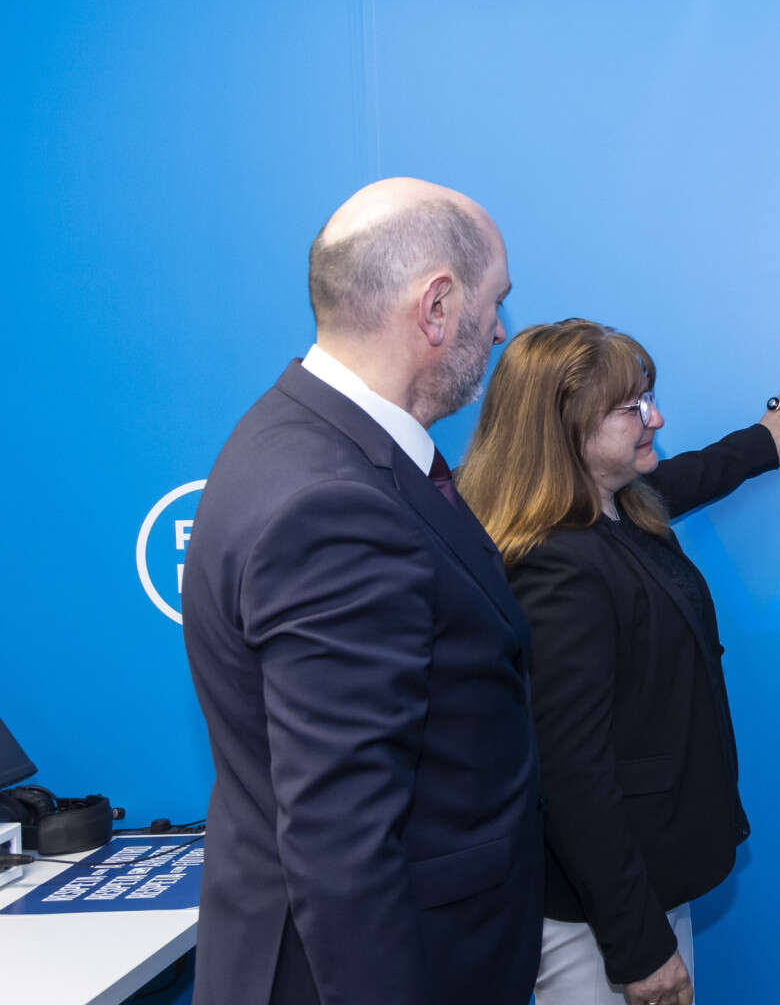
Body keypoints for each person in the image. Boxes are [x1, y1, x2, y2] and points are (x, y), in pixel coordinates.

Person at [182, 178, 538, 1004]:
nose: (499, 331)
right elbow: (342, 845)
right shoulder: (333, 501)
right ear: (437, 306)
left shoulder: (296, 436)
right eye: (495, 304)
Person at [457, 319, 780, 1005]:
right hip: (599, 918)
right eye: (632, 409)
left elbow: (676, 481)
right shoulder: (556, 566)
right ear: (563, 427)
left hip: (639, 880)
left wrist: (759, 445)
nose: (654, 418)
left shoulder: (613, 508)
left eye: (648, 398)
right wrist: (638, 948)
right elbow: (572, 775)